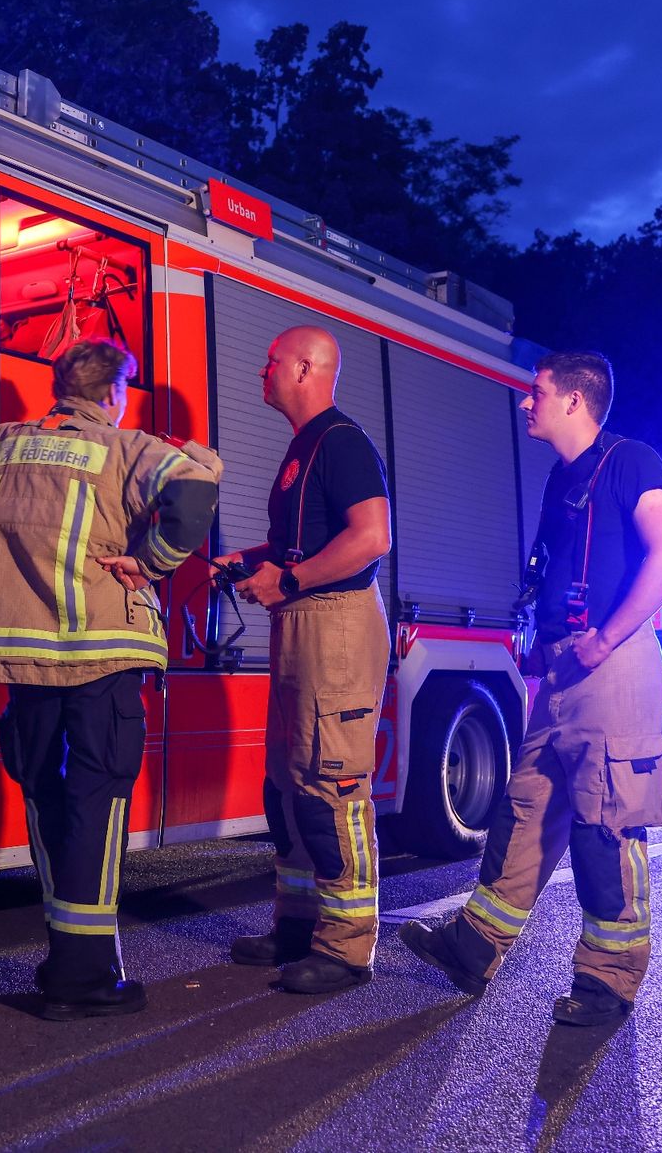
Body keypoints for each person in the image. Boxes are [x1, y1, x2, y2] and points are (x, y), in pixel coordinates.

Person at [0, 340, 222, 1020]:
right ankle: (85, 973)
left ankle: (65, 960)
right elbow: (196, 491)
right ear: (114, 394)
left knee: (47, 795)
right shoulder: (124, 448)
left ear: (59, 388)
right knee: (98, 800)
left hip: (20, 661)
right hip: (102, 655)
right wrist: (150, 561)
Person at [400, 350, 662, 1026]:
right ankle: (473, 948)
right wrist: (541, 642)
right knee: (526, 809)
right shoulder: (562, 478)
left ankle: (607, 985)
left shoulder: (632, 461)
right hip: (564, 668)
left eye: (537, 392)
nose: (525, 403)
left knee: (605, 826)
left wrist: (604, 639)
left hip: (608, 670)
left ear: (574, 402)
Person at [217, 325, 392, 995]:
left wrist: (288, 581)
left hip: (334, 628)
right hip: (302, 625)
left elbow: (371, 536)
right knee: (288, 784)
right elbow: (302, 543)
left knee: (331, 786)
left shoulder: (341, 442)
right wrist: (253, 561)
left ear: (303, 368)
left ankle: (347, 949)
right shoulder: (305, 448)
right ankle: (296, 925)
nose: (261, 372)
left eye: (269, 361)